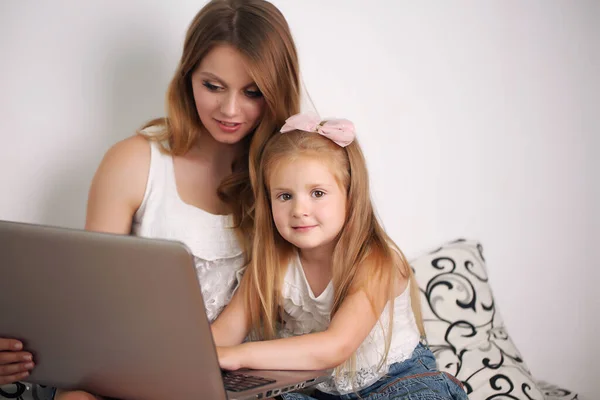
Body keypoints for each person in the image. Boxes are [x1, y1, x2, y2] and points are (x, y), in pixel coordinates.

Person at [0, 0, 302, 399]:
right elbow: (89, 297)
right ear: (187, 77)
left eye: (252, 92)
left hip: (233, 369)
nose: (230, 109)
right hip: (130, 367)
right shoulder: (134, 162)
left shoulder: (287, 174)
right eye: (212, 86)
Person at [212, 113, 468, 399]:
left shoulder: (376, 260)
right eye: (285, 196)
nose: (299, 210)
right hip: (318, 389)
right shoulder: (272, 263)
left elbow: (336, 346)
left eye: (318, 193)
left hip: (397, 381)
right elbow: (219, 337)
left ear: (350, 195)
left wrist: (239, 356)